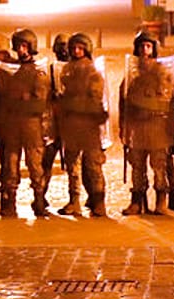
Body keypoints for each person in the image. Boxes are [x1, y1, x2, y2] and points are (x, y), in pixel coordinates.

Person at [120, 30, 174, 215]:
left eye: (148, 46)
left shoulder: (162, 72)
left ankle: (161, 199)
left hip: (157, 127)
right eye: (141, 46)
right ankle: (136, 200)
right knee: (137, 166)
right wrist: (124, 126)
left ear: (154, 49)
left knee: (159, 165)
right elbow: (124, 100)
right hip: (137, 127)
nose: (144, 50)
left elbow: (169, 99)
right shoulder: (132, 74)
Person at [0, 29, 55, 217]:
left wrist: (22, 100)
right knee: (10, 164)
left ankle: (39, 199)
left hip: (32, 125)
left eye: (24, 46)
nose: (21, 50)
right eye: (18, 46)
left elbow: (39, 102)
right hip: (13, 125)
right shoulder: (10, 71)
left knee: (35, 164)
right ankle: (10, 200)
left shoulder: (38, 73)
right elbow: (4, 98)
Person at [54, 33, 109, 217]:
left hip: (89, 126)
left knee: (94, 166)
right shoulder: (67, 70)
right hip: (72, 125)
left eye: (80, 48)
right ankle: (74, 199)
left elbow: (96, 100)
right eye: (74, 48)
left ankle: (99, 201)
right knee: (72, 166)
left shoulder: (93, 73)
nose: (77, 52)